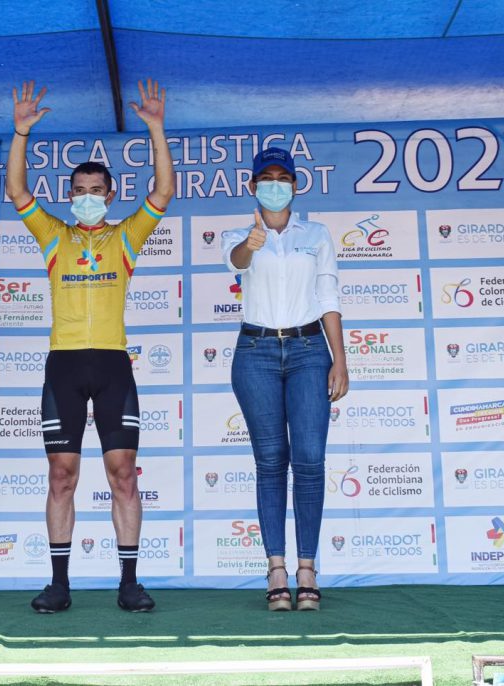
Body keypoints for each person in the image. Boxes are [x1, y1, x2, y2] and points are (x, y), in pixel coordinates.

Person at [5, 80, 174, 613]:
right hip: (64, 367)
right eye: (79, 188)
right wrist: (21, 133)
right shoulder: (53, 234)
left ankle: (130, 583)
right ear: (70, 194)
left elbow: (163, 192)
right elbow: (16, 190)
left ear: (110, 195)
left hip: (112, 366)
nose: (87, 196)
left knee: (123, 475)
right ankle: (59, 584)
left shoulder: (125, 236)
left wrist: (155, 128)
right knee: (62, 476)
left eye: (96, 189)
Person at [221, 148, 349, 611]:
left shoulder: (316, 234)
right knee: (271, 461)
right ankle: (276, 568)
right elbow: (236, 262)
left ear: (295, 184)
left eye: (283, 177)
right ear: (252, 185)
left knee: (310, 460)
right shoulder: (239, 235)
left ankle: (307, 567)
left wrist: (340, 359)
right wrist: (251, 243)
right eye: (266, 178)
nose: (274, 184)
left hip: (309, 350)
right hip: (255, 352)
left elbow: (328, 295)